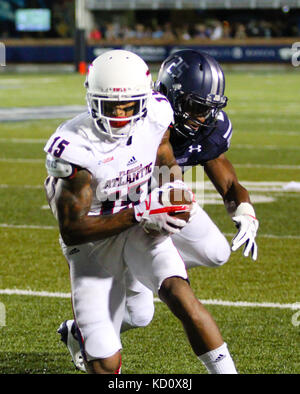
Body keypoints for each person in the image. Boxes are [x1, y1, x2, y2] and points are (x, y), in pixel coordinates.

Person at [44, 49, 238, 374]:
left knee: (180, 293)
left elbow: (163, 152)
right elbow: (73, 229)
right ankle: (80, 334)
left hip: (138, 226)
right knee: (106, 360)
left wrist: (171, 184)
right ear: (92, 100)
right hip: (92, 244)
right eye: (110, 106)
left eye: (128, 105)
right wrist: (140, 212)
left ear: (145, 101)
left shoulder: (159, 113)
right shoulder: (74, 147)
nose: (120, 114)